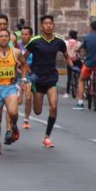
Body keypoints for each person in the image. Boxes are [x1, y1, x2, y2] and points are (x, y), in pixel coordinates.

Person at [25, 15, 73, 148]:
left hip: (52, 78)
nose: (48, 26)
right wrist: (28, 72)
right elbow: (24, 59)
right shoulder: (35, 41)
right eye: (45, 23)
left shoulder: (59, 41)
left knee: (53, 106)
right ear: (41, 26)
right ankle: (35, 99)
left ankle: (47, 137)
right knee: (38, 111)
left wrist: (72, 66)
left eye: (50, 23)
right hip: (38, 78)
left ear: (53, 25)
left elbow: (66, 56)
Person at [75, 20, 96, 109]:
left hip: (89, 64)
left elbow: (82, 48)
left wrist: (77, 50)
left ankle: (80, 102)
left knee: (81, 80)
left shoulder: (87, 37)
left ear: (91, 27)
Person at [19, 26, 35, 129]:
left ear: (30, 35)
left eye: (26, 34)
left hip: (30, 76)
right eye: (22, 34)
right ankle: (12, 116)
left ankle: (26, 119)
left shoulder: (34, 46)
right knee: (18, 100)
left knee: (28, 98)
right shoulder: (17, 46)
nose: (24, 36)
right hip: (18, 75)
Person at [64, 30, 81, 98]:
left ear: (70, 35)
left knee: (69, 76)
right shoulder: (78, 43)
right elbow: (80, 51)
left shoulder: (66, 43)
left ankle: (67, 92)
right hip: (76, 60)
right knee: (80, 75)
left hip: (69, 60)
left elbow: (63, 51)